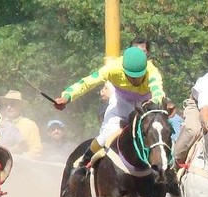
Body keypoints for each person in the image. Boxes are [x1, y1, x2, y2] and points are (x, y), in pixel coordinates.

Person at [54, 46, 165, 174]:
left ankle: (170, 174)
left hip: (144, 106)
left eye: (139, 76)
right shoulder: (113, 68)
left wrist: (153, 103)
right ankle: (84, 163)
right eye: (131, 76)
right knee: (106, 135)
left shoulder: (152, 71)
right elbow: (87, 82)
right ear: (123, 70)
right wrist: (67, 96)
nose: (136, 80)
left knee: (160, 134)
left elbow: (158, 92)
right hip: (120, 103)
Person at [0, 90, 43, 158]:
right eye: (6, 105)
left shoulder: (29, 124)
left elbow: (36, 151)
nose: (8, 107)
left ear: (20, 106)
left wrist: (20, 158)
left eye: (12, 104)